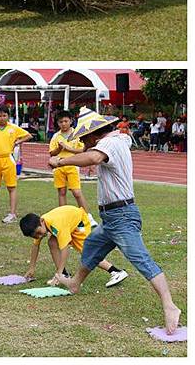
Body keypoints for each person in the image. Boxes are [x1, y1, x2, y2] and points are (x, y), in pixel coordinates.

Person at [49, 107, 182, 335]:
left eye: (84, 138)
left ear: (94, 134)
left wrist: (61, 161)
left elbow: (93, 157)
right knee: (91, 246)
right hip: (111, 218)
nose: (84, 143)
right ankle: (75, 283)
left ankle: (170, 306)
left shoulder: (108, 144)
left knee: (140, 258)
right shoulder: (116, 141)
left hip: (121, 216)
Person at [20, 205, 127, 287]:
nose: (39, 236)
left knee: (88, 253)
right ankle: (65, 275)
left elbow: (65, 249)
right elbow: (35, 247)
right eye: (35, 235)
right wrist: (32, 268)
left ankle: (116, 272)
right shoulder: (39, 225)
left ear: (42, 222)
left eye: (39, 232)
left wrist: (58, 272)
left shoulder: (56, 225)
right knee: (52, 242)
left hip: (79, 223)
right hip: (69, 223)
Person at [49, 111, 97, 226]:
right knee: (61, 191)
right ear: (57, 123)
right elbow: (52, 153)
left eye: (66, 121)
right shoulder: (56, 136)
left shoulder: (76, 134)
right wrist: (60, 149)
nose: (63, 124)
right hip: (59, 166)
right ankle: (63, 217)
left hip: (72, 166)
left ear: (71, 121)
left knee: (76, 192)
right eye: (61, 122)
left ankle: (87, 216)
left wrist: (67, 148)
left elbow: (82, 150)